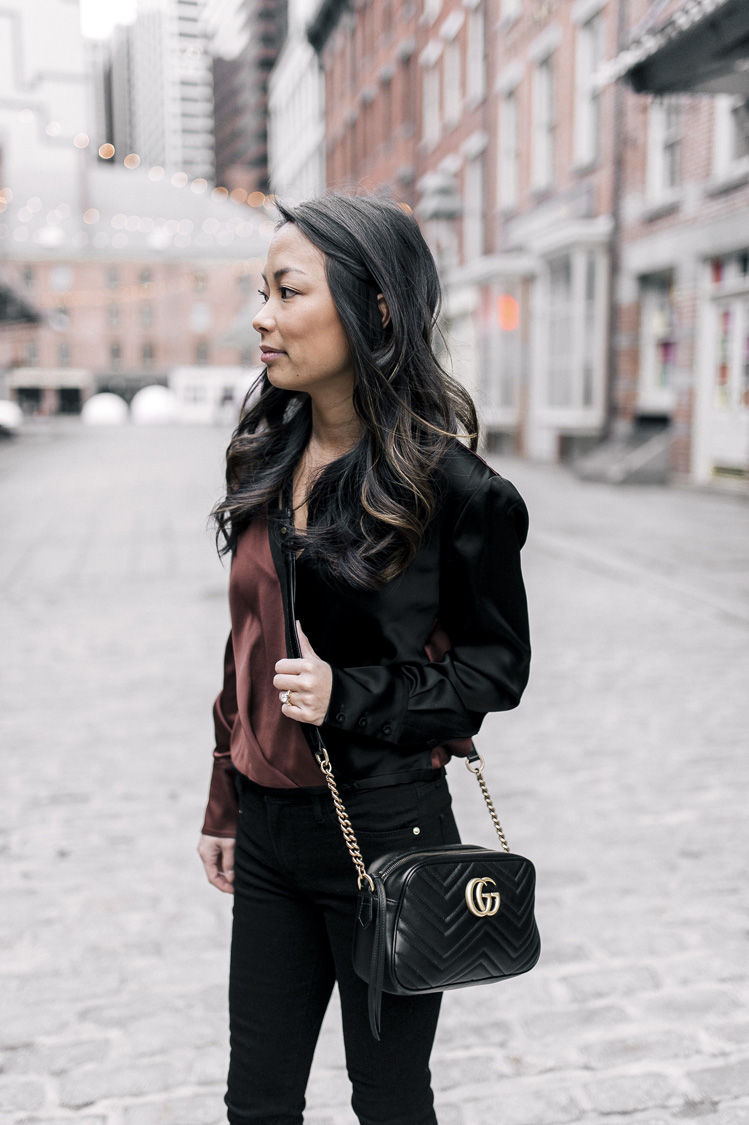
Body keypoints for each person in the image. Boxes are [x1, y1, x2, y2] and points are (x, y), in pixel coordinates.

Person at [197, 193, 531, 1125]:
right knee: (256, 1101)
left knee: (386, 1097)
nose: (260, 316)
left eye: (286, 291)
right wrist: (225, 799)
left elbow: (493, 672)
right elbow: (245, 650)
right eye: (259, 291)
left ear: (373, 308)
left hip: (385, 832)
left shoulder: (457, 491)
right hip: (266, 831)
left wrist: (350, 692)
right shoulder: (263, 455)